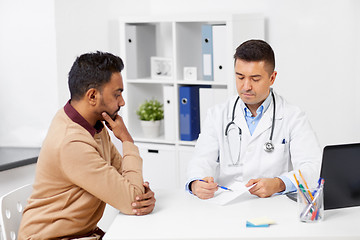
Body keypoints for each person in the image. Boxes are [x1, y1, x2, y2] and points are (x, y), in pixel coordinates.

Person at [18, 52, 156, 239]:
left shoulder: (93, 125)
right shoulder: (71, 142)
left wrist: (141, 194)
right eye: (117, 94)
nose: (122, 102)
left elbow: (126, 181)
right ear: (92, 96)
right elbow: (131, 200)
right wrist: (127, 140)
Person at [186, 39, 322, 200]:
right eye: (240, 77)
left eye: (255, 79)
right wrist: (196, 183)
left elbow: (313, 167)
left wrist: (280, 183)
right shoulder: (218, 114)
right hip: (228, 205)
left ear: (272, 78)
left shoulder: (293, 116)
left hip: (274, 205)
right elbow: (201, 160)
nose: (246, 86)